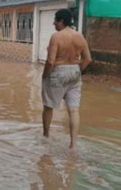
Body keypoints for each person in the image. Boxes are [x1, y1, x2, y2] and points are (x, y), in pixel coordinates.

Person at [41, 9, 92, 149]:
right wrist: (77, 71)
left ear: (61, 21)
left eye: (55, 20)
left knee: (48, 106)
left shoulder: (56, 37)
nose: (53, 23)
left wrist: (44, 76)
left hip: (58, 71)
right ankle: (73, 145)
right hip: (75, 71)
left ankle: (45, 136)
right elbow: (88, 59)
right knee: (74, 110)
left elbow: (50, 61)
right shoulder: (80, 36)